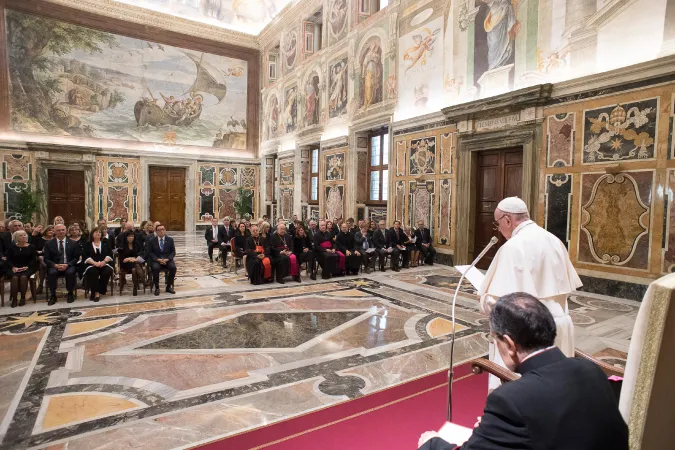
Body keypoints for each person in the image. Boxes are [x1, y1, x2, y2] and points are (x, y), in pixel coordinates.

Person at [417, 292, 628, 450]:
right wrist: (493, 430)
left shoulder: (510, 400)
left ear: (509, 344)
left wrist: (432, 443)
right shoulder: (591, 370)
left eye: (495, 338)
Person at [479, 197, 582, 390]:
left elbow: (501, 304)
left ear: (508, 220)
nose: (498, 229)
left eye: (498, 223)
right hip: (560, 327)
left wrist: (484, 297)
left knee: (523, 394)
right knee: (556, 389)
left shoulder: (513, 247)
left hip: (527, 337)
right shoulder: (554, 240)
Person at [44, 224, 80, 305]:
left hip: (68, 265)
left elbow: (76, 258)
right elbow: (46, 258)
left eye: (62, 230)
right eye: (58, 230)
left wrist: (67, 264)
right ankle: (53, 295)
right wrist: (55, 265)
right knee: (52, 273)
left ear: (66, 230)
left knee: (70, 272)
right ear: (55, 231)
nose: (61, 232)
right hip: (55, 265)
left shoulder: (73, 243)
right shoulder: (49, 243)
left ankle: (70, 293)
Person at [6, 230, 38, 307]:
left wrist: (26, 267)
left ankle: (23, 298)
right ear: (16, 238)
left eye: (25, 235)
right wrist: (13, 267)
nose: (24, 236)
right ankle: (14, 299)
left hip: (28, 267)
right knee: (14, 278)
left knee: (23, 277)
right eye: (21, 235)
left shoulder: (32, 247)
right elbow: (8, 260)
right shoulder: (12, 247)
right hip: (14, 267)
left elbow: (33, 260)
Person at [83, 227, 114, 302]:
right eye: (96, 232)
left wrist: (104, 262)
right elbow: (85, 256)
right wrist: (94, 263)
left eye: (99, 232)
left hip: (104, 263)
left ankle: (100, 290)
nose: (98, 233)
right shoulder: (87, 244)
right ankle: (96, 293)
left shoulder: (105, 242)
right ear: (92, 234)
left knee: (108, 271)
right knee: (93, 272)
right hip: (91, 264)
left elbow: (110, 253)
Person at [146, 225, 177, 296]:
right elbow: (150, 252)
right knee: (155, 268)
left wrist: (168, 259)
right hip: (157, 260)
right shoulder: (152, 241)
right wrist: (158, 259)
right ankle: (157, 287)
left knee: (173, 268)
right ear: (156, 231)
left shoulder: (170, 240)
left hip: (167, 260)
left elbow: (173, 252)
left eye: (163, 229)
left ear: (165, 230)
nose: (161, 231)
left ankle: (168, 287)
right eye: (159, 230)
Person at [119, 231, 144, 296]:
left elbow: (140, 256)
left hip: (135, 262)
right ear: (126, 237)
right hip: (125, 264)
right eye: (129, 236)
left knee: (134, 269)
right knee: (136, 266)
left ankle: (135, 288)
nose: (131, 238)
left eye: (132, 236)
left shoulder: (137, 244)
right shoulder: (122, 246)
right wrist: (131, 259)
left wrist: (132, 259)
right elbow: (123, 260)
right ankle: (144, 281)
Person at [34, 225, 54, 295]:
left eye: (53, 230)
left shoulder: (55, 240)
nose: (51, 231)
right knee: (41, 260)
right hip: (40, 258)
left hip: (52, 258)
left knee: (42, 265)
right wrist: (39, 252)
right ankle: (42, 284)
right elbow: (33, 250)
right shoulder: (39, 239)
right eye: (49, 230)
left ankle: (41, 285)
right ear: (46, 231)